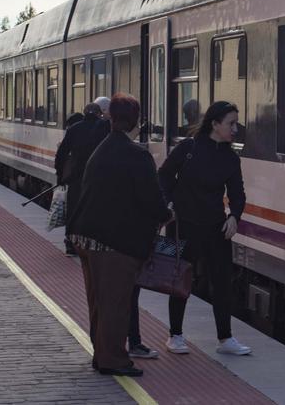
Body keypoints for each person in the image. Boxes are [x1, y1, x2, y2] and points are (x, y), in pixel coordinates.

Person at [65, 93, 171, 377]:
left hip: (87, 236)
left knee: (99, 302)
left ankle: (102, 355)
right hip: (114, 242)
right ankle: (113, 359)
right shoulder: (137, 155)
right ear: (136, 121)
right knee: (116, 303)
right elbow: (151, 198)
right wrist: (166, 214)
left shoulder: (103, 149)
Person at [159, 100, 251, 356]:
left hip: (216, 227)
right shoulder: (188, 148)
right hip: (181, 225)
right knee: (179, 279)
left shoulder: (231, 158)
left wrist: (234, 216)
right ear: (215, 124)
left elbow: (238, 193)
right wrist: (167, 205)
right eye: (231, 124)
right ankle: (175, 335)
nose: (235, 129)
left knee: (222, 283)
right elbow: (163, 176)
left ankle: (226, 338)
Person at [55, 99, 110, 256]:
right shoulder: (105, 128)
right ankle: (93, 243)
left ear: (84, 113)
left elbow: (61, 154)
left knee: (74, 211)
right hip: (99, 178)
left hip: (76, 177)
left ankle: (71, 245)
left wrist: (60, 175)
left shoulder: (74, 129)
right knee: (95, 210)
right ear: (100, 113)